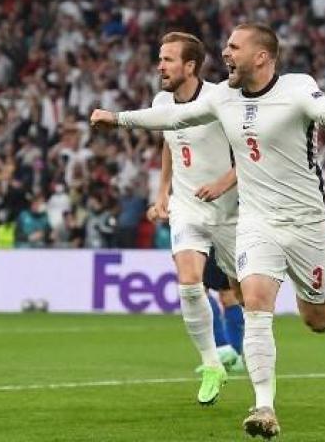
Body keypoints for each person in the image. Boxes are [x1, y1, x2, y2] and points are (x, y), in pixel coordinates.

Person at [90, 23, 325, 439]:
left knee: (315, 317)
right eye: (226, 45)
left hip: (306, 221)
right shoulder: (223, 97)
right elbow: (174, 115)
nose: (225, 53)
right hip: (256, 222)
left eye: (234, 47)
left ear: (262, 57)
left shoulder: (296, 89)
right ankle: (263, 407)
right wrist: (119, 119)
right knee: (255, 304)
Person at [144, 32, 243, 406]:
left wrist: (223, 182)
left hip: (231, 209)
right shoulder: (161, 101)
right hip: (188, 207)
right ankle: (212, 362)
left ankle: (249, 354)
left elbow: (252, 151)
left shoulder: (221, 99)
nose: (160, 66)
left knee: (244, 295)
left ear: (190, 66)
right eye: (160, 58)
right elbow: (170, 142)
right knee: (189, 283)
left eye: (168, 59)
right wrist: (162, 191)